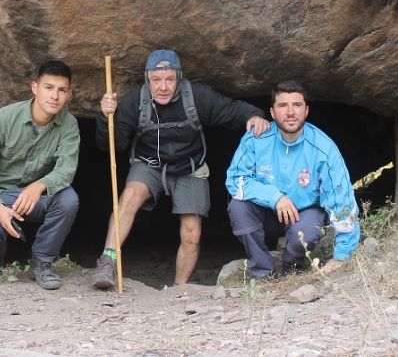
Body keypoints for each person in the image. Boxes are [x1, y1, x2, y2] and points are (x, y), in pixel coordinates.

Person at [91, 49, 269, 289]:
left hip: (189, 167)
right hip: (149, 164)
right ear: (147, 79)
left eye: (170, 79)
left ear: (179, 77)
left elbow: (230, 109)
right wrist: (105, 118)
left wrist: (254, 115)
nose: (163, 87)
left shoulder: (196, 96)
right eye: (156, 80)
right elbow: (112, 145)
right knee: (130, 195)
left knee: (192, 231)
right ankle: (107, 261)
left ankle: (179, 288)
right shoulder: (136, 101)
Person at [225, 80, 360, 279]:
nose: (290, 112)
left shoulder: (323, 147)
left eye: (297, 105)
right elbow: (235, 180)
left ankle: (292, 267)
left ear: (306, 111)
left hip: (303, 212)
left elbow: (341, 199)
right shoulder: (255, 139)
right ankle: (262, 271)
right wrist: (275, 197)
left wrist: (342, 255)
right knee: (238, 207)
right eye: (282, 105)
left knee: (307, 231)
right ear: (272, 113)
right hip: (266, 211)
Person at [0, 60, 80, 290]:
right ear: (35, 87)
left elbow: (66, 170)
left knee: (68, 199)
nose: (54, 96)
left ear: (70, 94)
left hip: (35, 198)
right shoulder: (5, 117)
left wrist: (39, 186)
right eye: (48, 87)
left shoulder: (69, 125)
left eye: (62, 90)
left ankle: (42, 263)